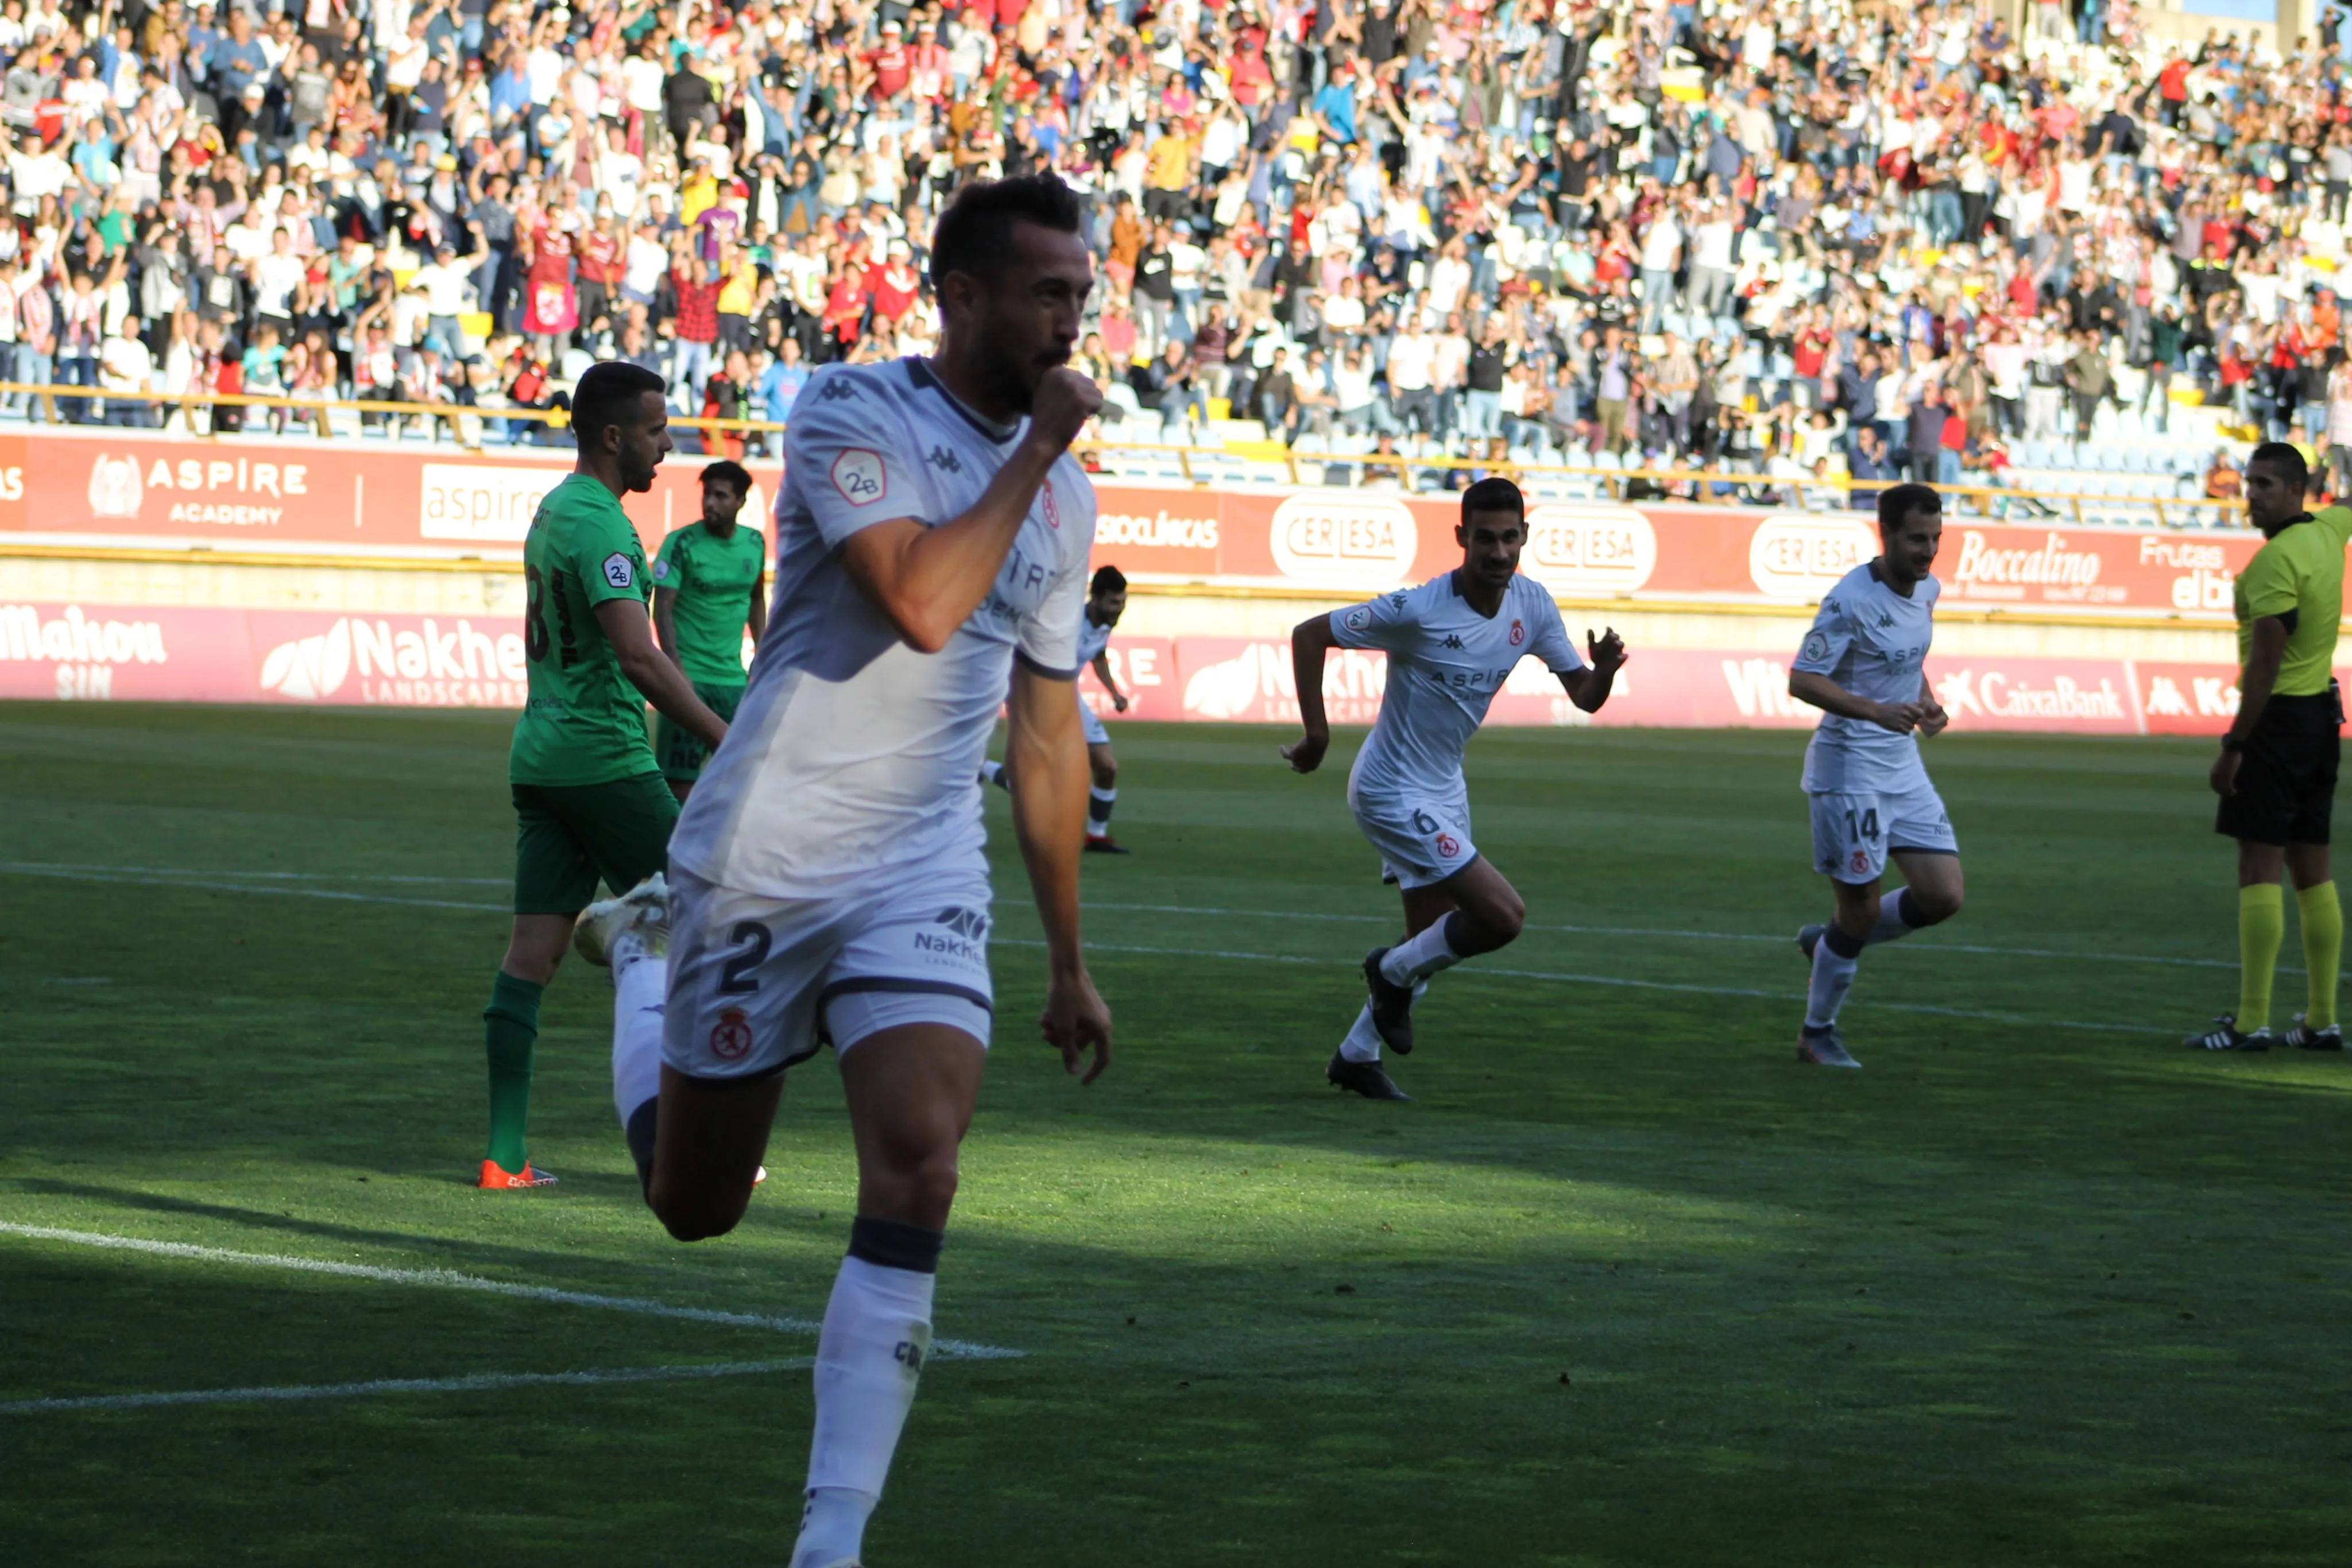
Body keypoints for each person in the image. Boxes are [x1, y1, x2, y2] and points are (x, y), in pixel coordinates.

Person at [574, 175, 1112, 1568]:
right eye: (1047, 293)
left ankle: (830, 1543)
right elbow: (923, 602)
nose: (1072, 320)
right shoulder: (852, 412)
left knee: (921, 1164)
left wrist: (1067, 959)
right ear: (962, 296)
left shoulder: (1066, 498)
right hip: (772, 847)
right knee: (696, 1208)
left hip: (921, 862)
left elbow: (1046, 732)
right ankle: (641, 955)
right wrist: (1035, 455)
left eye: (1082, 293)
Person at [1281, 477, 1627, 1099]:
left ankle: (1356, 1055)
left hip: (1444, 787)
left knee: (1431, 943)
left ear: (1525, 536)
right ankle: (1386, 970)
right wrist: (1317, 735)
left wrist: (1601, 672)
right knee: (1502, 917)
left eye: (1510, 538)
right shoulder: (1418, 609)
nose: (1499, 552)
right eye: (1486, 539)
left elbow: (1584, 696)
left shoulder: (1532, 605)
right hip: (1390, 790)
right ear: (1462, 537)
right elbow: (1310, 635)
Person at [476, 361, 729, 1188]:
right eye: (658, 430)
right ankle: (701, 1142)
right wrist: (726, 737)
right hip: (604, 759)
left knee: (531, 957)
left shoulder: (555, 509)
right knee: (713, 925)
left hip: (542, 755)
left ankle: (504, 1156)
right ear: (615, 436)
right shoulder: (603, 528)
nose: (669, 445)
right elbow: (638, 657)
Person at [1786, 482, 1966, 1070]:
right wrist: (1873, 711)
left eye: (1935, 538)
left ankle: (1830, 943)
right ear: (1885, 534)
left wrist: (1926, 700)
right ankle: (1816, 1033)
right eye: (1917, 539)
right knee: (1859, 908)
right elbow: (1802, 679)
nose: (1928, 550)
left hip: (1901, 765)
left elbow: (1908, 661)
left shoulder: (1928, 589)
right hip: (1849, 772)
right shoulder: (1850, 601)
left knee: (1942, 895)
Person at [2187, 443, 2352, 1051]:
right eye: (2248, 482)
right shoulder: (2330, 530)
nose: (2249, 494)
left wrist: (2235, 745)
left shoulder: (2273, 564)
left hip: (2276, 723)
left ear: (2294, 490)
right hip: (2321, 720)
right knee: (2312, 868)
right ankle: (2321, 1020)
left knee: (2258, 865)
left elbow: (2264, 663)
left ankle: (2251, 1021)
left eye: (2262, 484)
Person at [981, 563, 1134, 852]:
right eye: (1114, 602)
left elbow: (1098, 656)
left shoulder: (1104, 624)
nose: (1119, 609)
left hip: (1067, 693)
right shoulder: (1067, 620)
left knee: (1106, 767)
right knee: (1043, 781)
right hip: (1036, 693)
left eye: (1122, 602)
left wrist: (1114, 692)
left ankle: (1096, 836)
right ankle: (983, 768)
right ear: (1096, 598)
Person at [651, 459, 768, 803]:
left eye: (721, 496)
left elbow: (756, 599)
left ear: (740, 501)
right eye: (707, 494)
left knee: (741, 777)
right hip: (690, 681)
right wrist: (676, 670)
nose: (710, 503)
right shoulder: (681, 543)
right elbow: (663, 608)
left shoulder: (755, 543)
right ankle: (677, 840)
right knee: (679, 784)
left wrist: (763, 653)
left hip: (734, 682)